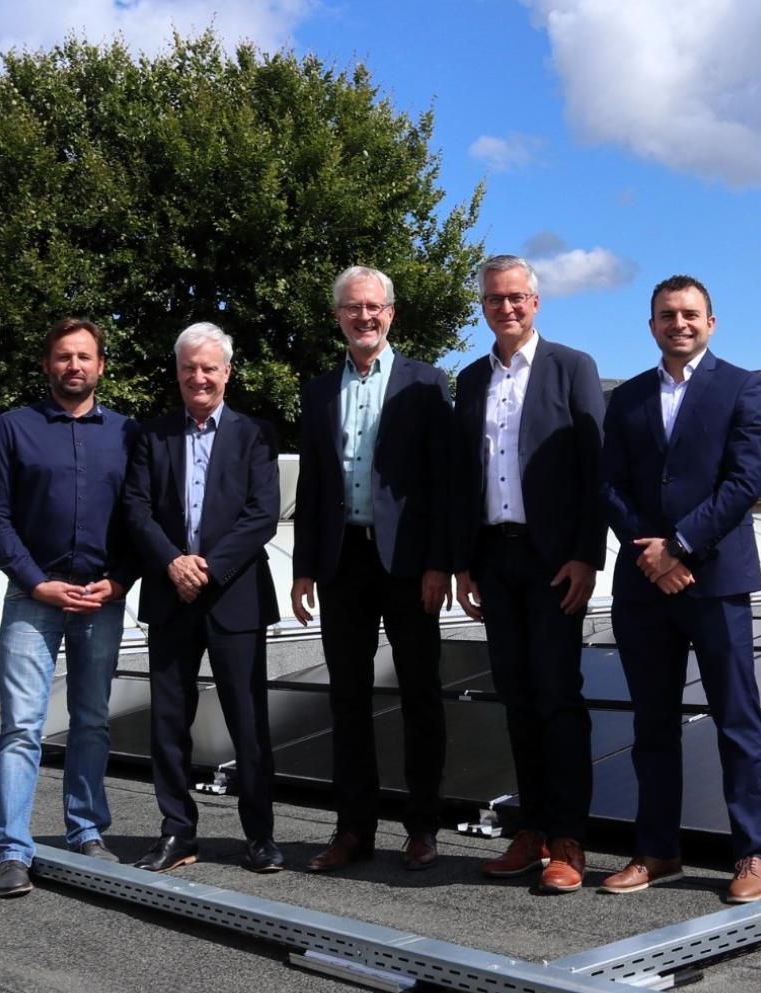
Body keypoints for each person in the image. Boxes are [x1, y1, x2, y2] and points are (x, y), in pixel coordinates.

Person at [599, 276, 761, 903]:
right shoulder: (627, 399)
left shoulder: (741, 388)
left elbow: (747, 478)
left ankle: (752, 854)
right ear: (651, 325)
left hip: (715, 581)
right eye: (667, 315)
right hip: (645, 586)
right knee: (652, 725)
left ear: (712, 321)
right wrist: (651, 553)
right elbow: (610, 483)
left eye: (690, 314)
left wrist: (678, 545)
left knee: (736, 720)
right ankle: (657, 851)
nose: (679, 323)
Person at [450, 255, 605, 892]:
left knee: (559, 698)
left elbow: (595, 469)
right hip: (495, 556)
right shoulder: (468, 379)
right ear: (482, 306)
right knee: (515, 698)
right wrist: (464, 561)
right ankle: (531, 830)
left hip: (553, 561)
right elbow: (464, 478)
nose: (505, 308)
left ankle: (568, 838)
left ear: (535, 303)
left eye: (516, 298)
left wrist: (587, 556)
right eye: (493, 299)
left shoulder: (573, 368)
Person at [290, 266, 452, 872]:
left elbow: (444, 483)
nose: (365, 317)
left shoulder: (426, 383)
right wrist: (305, 566)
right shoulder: (318, 390)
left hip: (409, 564)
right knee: (347, 699)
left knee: (420, 696)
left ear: (391, 314)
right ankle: (354, 829)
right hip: (340, 561)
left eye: (375, 307)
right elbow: (311, 486)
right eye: (353, 308)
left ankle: (423, 828)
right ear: (338, 316)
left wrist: (441, 562)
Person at [0, 318, 137, 897]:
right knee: (21, 726)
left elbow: (138, 518)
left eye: (85, 357)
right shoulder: (13, 430)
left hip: (101, 598)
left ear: (100, 366)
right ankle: (12, 850)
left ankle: (86, 828)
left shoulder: (126, 434)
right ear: (48, 365)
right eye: (64, 357)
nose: (75, 366)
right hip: (33, 596)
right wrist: (34, 580)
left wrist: (119, 581)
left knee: (92, 720)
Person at [122, 323, 283, 873]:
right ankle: (177, 832)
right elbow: (136, 509)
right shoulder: (151, 435)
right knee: (168, 721)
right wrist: (172, 562)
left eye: (209, 367)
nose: (199, 377)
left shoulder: (256, 434)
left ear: (227, 373)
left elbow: (262, 515)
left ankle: (259, 835)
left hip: (234, 596)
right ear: (178, 372)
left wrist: (208, 569)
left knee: (248, 720)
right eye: (189, 367)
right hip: (170, 595)